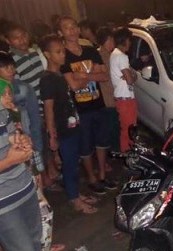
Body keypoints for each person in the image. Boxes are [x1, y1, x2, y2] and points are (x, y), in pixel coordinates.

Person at [39, 34, 98, 214]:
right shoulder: (48, 79)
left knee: (73, 163)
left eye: (63, 50)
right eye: (58, 52)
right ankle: (74, 200)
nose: (63, 54)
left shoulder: (59, 75)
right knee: (70, 165)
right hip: (63, 129)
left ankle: (76, 194)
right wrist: (53, 135)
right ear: (47, 55)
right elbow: (48, 109)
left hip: (73, 125)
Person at [57, 16, 116, 195]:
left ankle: (103, 176)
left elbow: (104, 76)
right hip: (79, 110)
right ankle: (91, 178)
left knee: (102, 142)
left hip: (98, 104)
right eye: (67, 28)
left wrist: (83, 76)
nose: (72, 30)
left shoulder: (90, 50)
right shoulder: (62, 55)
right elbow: (73, 86)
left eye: (74, 26)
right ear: (61, 33)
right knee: (85, 146)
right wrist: (91, 74)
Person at [4, 22, 61, 190]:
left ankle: (51, 171)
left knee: (46, 138)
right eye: (16, 38)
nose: (21, 40)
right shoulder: (12, 61)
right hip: (30, 110)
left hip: (44, 103)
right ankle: (44, 178)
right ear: (8, 41)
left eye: (23, 36)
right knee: (37, 142)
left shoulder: (34, 55)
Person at [0, 78, 41, 251]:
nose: (9, 97)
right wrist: (8, 161)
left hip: (24, 187)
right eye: (5, 93)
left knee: (36, 248)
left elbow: (10, 137)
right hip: (3, 202)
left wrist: (21, 140)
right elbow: (8, 158)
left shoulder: (4, 113)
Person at [110, 27, 137, 153]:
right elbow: (131, 79)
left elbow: (128, 77)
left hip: (120, 97)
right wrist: (132, 75)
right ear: (124, 40)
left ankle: (127, 154)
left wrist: (129, 75)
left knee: (125, 129)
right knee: (129, 129)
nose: (130, 43)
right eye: (129, 40)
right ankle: (129, 156)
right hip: (126, 99)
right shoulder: (122, 57)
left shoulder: (114, 54)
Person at [96, 26, 120, 152]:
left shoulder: (110, 54)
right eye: (109, 40)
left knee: (113, 127)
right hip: (107, 99)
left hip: (110, 97)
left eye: (112, 40)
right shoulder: (101, 56)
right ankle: (113, 153)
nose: (112, 43)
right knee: (111, 128)